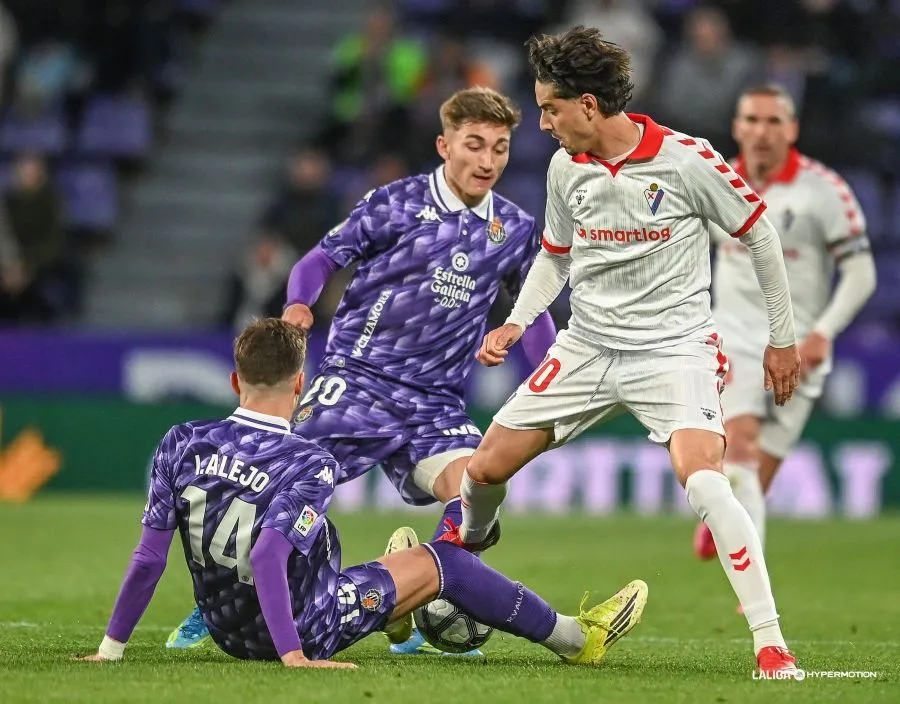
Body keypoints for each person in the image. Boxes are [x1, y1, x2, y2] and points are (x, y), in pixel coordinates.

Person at [437, 27, 802, 678]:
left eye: (550, 108)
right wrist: (520, 323)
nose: (542, 123)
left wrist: (782, 338)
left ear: (587, 106)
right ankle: (464, 545)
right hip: (588, 346)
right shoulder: (564, 169)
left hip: (673, 349)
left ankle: (771, 646)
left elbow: (760, 234)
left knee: (708, 483)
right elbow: (555, 258)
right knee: (484, 470)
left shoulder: (686, 160)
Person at [169, 86, 556, 654]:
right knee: (267, 483)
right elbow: (321, 258)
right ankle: (214, 607)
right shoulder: (395, 203)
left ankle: (421, 593)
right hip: (357, 382)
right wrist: (300, 302)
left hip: (436, 404)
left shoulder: (516, 231)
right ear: (444, 145)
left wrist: (549, 373)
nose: (487, 160)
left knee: (477, 493)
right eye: (475, 145)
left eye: (499, 148)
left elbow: (534, 311)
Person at [76, 318, 648, 668]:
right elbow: (269, 555)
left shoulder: (182, 441)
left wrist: (111, 649)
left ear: (234, 380)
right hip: (299, 629)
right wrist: (294, 654)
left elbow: (149, 558)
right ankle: (574, 638)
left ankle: (395, 602)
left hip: (227, 631)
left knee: (325, 545)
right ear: (301, 384)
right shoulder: (308, 460)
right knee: (447, 560)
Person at [693, 84, 876, 558]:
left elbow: (862, 273)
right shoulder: (716, 182)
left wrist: (823, 333)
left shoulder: (824, 189)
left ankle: (723, 514)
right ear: (737, 127)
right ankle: (751, 593)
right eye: (752, 119)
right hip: (731, 336)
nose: (761, 131)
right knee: (743, 449)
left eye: (774, 121)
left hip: (799, 341)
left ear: (792, 129)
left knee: (759, 469)